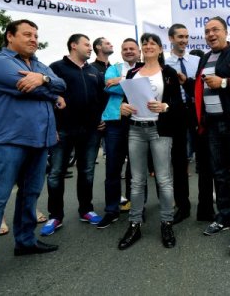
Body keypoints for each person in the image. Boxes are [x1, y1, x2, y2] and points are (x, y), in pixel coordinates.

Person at [0, 19, 66, 290]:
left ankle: (25, 242)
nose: (34, 39)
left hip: (39, 141)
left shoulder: (38, 64)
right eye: (27, 34)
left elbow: (62, 85)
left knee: (30, 194)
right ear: (10, 36)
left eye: (36, 35)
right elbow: (34, 90)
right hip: (7, 141)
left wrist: (45, 78)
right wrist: (50, 92)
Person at [185, 16, 230, 254]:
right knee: (219, 175)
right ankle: (224, 217)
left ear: (225, 32)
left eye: (215, 30)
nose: (210, 34)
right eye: (207, 31)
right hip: (213, 126)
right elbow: (201, 87)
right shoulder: (205, 58)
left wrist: (225, 83)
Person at [117, 33, 184, 250]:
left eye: (152, 43)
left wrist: (165, 107)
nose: (148, 46)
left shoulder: (169, 73)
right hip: (136, 129)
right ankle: (134, 224)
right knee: (137, 181)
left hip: (160, 130)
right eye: (144, 43)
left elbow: (177, 104)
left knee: (163, 180)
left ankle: (166, 222)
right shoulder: (132, 72)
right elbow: (126, 100)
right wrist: (123, 108)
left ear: (160, 49)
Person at [41, 34, 106, 236]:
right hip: (63, 130)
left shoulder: (94, 71)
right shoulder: (56, 68)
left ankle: (86, 210)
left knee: (87, 171)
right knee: (56, 173)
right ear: (73, 45)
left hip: (91, 130)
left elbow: (102, 97)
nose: (90, 48)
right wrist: (51, 127)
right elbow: (47, 97)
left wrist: (103, 117)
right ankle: (55, 216)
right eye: (87, 44)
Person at [97, 38, 140, 228]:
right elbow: (108, 86)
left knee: (136, 169)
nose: (129, 51)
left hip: (138, 121)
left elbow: (145, 87)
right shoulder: (113, 68)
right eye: (125, 49)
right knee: (113, 168)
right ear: (121, 52)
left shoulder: (145, 67)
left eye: (132, 48)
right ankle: (111, 210)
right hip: (115, 122)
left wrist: (122, 80)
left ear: (138, 51)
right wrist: (128, 82)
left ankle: (137, 207)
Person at [164, 23, 199, 224]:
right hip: (176, 115)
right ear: (171, 38)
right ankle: (182, 206)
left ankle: (206, 206)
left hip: (198, 114)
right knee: (179, 162)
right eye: (180, 37)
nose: (184, 40)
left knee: (204, 160)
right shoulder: (165, 65)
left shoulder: (197, 60)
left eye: (186, 37)